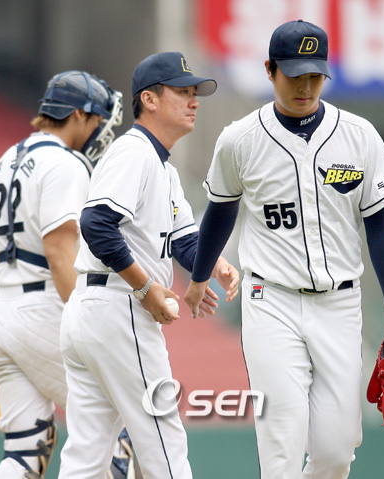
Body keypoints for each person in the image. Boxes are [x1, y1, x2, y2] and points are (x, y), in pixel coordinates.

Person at [184, 20, 384, 479]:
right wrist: (198, 277)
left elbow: (380, 226)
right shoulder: (240, 139)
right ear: (270, 71)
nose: (305, 87)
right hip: (271, 302)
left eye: (314, 76)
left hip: (340, 305)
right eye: (294, 75)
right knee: (282, 446)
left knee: (336, 452)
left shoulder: (359, 135)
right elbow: (220, 214)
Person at [57, 52, 239, 479]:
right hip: (120, 309)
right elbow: (96, 224)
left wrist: (213, 265)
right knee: (165, 445)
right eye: (182, 91)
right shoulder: (134, 152)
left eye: (195, 93)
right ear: (149, 99)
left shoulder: (161, 167)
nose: (193, 101)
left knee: (86, 459)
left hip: (94, 311)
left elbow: (184, 241)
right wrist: (143, 287)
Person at [0, 70, 129, 479]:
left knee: (26, 451)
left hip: (2, 310)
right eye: (97, 118)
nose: (101, 129)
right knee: (124, 426)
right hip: (43, 307)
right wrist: (85, 319)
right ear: (78, 114)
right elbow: (60, 250)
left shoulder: (2, 163)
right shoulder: (64, 163)